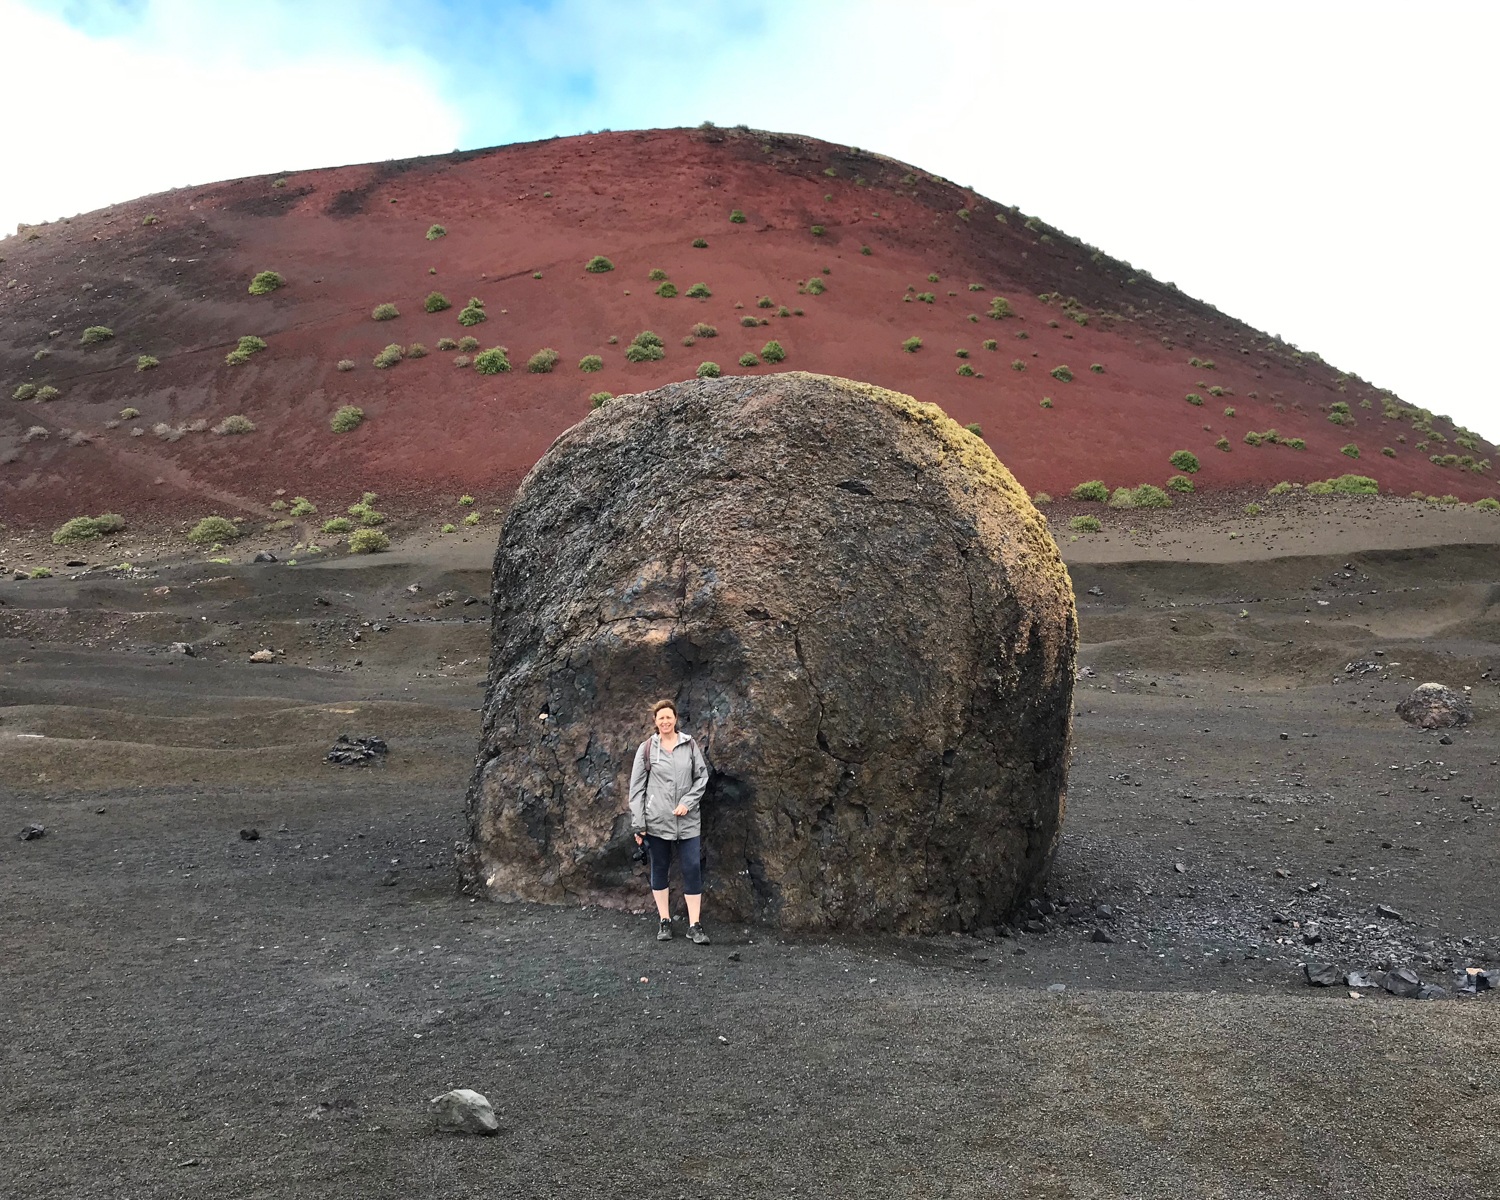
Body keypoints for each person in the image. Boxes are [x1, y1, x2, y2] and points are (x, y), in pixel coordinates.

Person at [628, 699, 710, 944]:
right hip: (657, 822)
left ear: (676, 719)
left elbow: (702, 778)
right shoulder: (646, 749)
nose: (665, 721)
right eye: (660, 717)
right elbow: (636, 790)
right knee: (659, 869)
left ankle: (694, 925)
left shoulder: (690, 744)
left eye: (669, 717)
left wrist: (688, 801)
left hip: (688, 821)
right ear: (655, 721)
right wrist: (639, 825)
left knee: (692, 868)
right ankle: (665, 920)